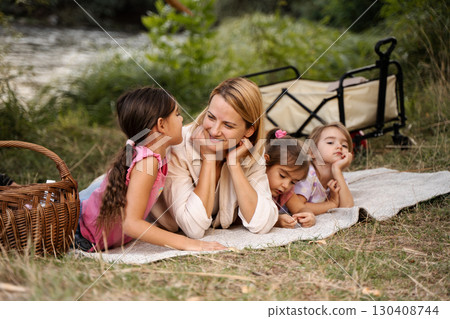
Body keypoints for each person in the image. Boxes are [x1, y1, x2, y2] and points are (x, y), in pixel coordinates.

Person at [76, 86, 225, 252]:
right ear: (161, 124)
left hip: (85, 225)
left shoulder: (151, 156)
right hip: (79, 232)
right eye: (177, 114)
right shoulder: (147, 162)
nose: (182, 120)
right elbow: (131, 224)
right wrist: (188, 243)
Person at [154, 77, 279, 239]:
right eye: (211, 117)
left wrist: (234, 165)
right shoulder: (178, 145)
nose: (214, 131)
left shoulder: (249, 152)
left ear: (249, 131)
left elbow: (262, 223)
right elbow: (193, 228)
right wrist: (210, 159)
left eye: (228, 125)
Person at [294, 122, 354, 215]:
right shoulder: (306, 174)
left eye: (344, 145)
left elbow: (348, 207)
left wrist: (337, 170)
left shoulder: (337, 177)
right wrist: (332, 204)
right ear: (312, 152)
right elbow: (297, 207)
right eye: (330, 142)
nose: (339, 147)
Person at [264, 129, 316, 229]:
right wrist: (276, 221)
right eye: (282, 176)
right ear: (266, 163)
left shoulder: (283, 191)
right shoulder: (254, 185)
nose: (286, 185)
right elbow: (242, 218)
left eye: (293, 182)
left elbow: (301, 208)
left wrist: (309, 216)